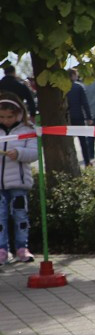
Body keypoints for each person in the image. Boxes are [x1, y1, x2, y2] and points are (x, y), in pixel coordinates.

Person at [0, 93, 36, 264]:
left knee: (20, 216)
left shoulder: (27, 131)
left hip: (19, 183)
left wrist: (20, 153)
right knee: (1, 217)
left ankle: (22, 248)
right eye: (2, 117)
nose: (6, 120)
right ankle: (2, 250)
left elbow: (35, 153)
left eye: (10, 116)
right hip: (0, 185)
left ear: (19, 114)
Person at [67, 69, 93, 167]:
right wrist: (89, 117)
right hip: (79, 117)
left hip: (68, 118)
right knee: (83, 141)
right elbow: (85, 104)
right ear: (73, 75)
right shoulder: (79, 87)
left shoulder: (63, 87)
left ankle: (71, 162)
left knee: (69, 141)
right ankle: (87, 161)